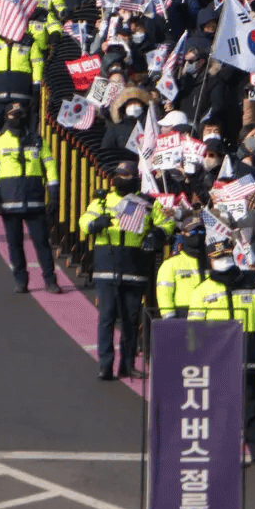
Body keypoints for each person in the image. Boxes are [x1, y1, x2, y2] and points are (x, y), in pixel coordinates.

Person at [78, 157, 172, 380]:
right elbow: (84, 221)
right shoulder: (102, 202)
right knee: (107, 316)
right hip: (106, 265)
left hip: (135, 265)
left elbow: (166, 224)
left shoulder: (147, 203)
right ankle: (105, 365)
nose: (121, 179)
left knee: (131, 319)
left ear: (135, 179)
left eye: (126, 176)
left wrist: (157, 233)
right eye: (118, 175)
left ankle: (127, 365)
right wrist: (94, 224)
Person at [0, 101, 59, 294]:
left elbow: (50, 168)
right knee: (14, 244)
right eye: (14, 115)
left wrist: (54, 196)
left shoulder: (38, 141)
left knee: (42, 242)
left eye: (21, 114)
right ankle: (21, 280)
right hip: (9, 202)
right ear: (6, 117)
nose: (18, 118)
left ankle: (50, 280)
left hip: (35, 201)